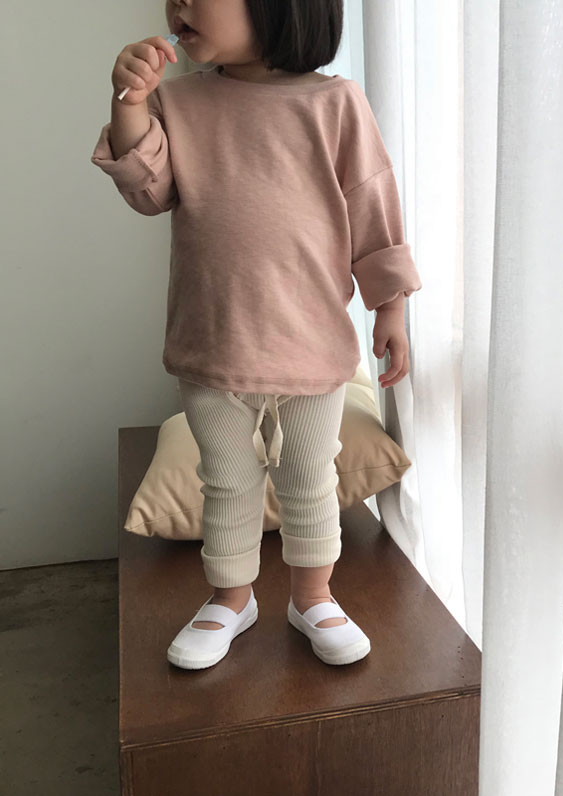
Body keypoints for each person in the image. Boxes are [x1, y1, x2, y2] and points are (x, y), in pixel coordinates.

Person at [90, 0, 422, 670]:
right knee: (226, 478)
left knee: (309, 475)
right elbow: (147, 192)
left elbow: (372, 204)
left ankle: (313, 596)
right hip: (213, 342)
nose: (179, 4)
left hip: (311, 344)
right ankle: (230, 598)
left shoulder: (336, 103)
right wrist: (130, 104)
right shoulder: (181, 102)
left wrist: (391, 306)